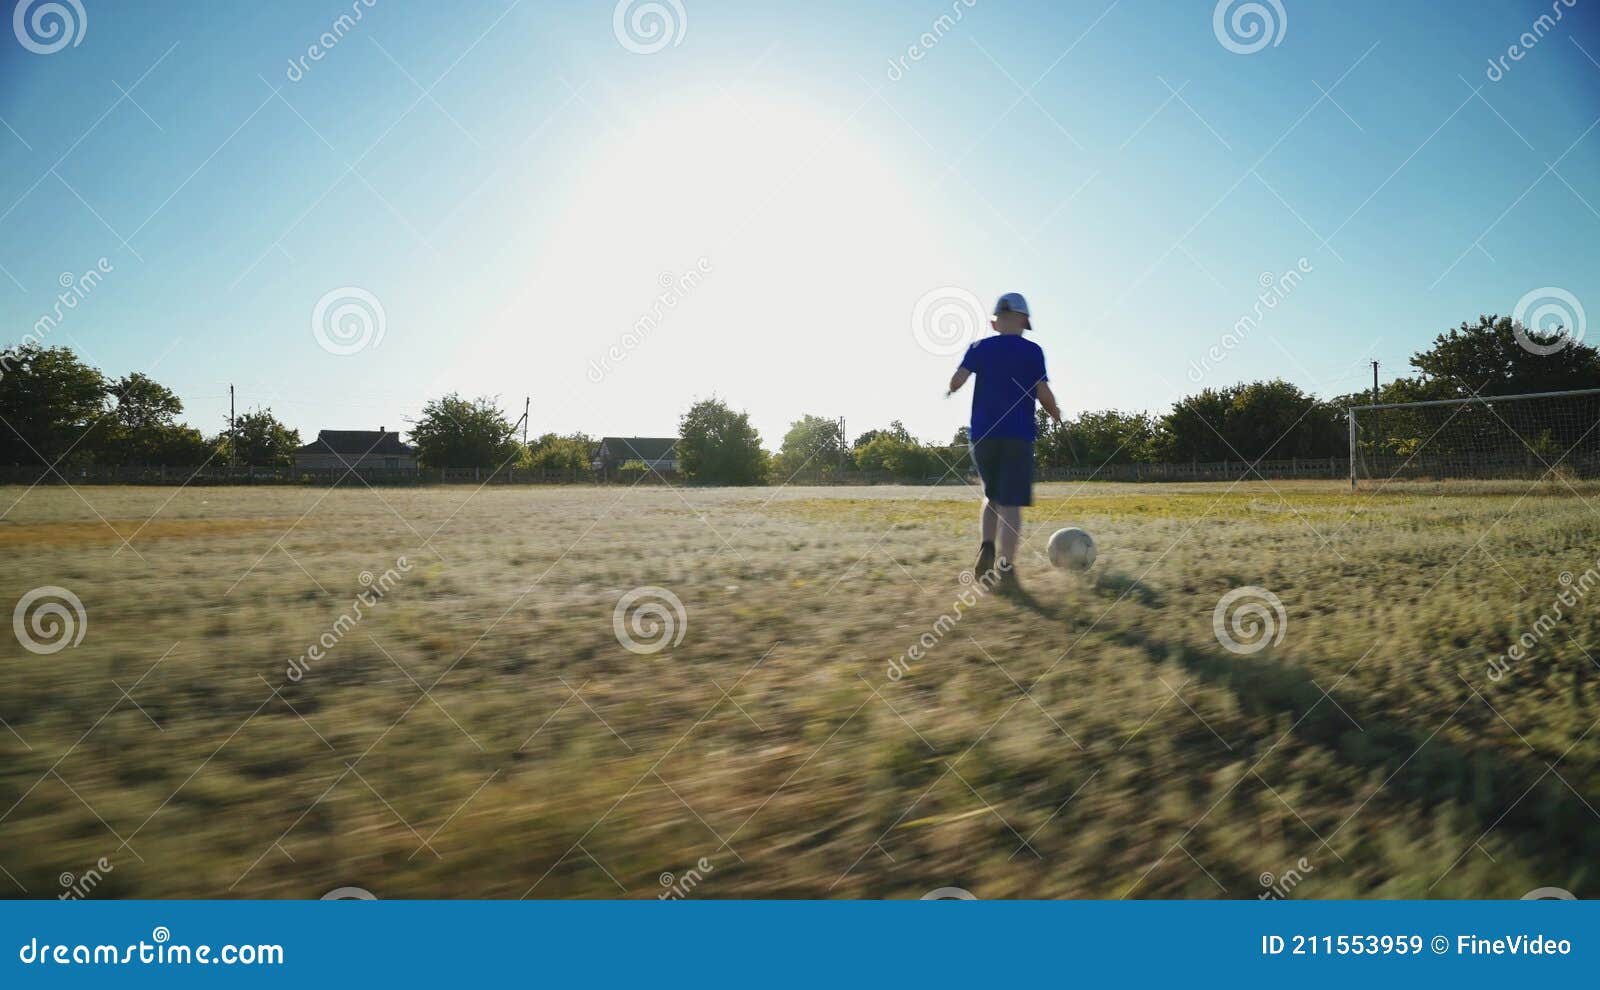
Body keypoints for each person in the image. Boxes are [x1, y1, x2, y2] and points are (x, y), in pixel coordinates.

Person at [946, 292, 1061, 587]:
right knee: (1012, 504)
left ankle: (987, 544)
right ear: (1024, 321)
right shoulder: (1032, 352)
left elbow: (958, 379)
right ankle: (1006, 565)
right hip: (1017, 435)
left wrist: (952, 389)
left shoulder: (980, 347)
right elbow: (1042, 392)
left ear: (995, 323)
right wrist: (1054, 411)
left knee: (992, 495)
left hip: (983, 435)